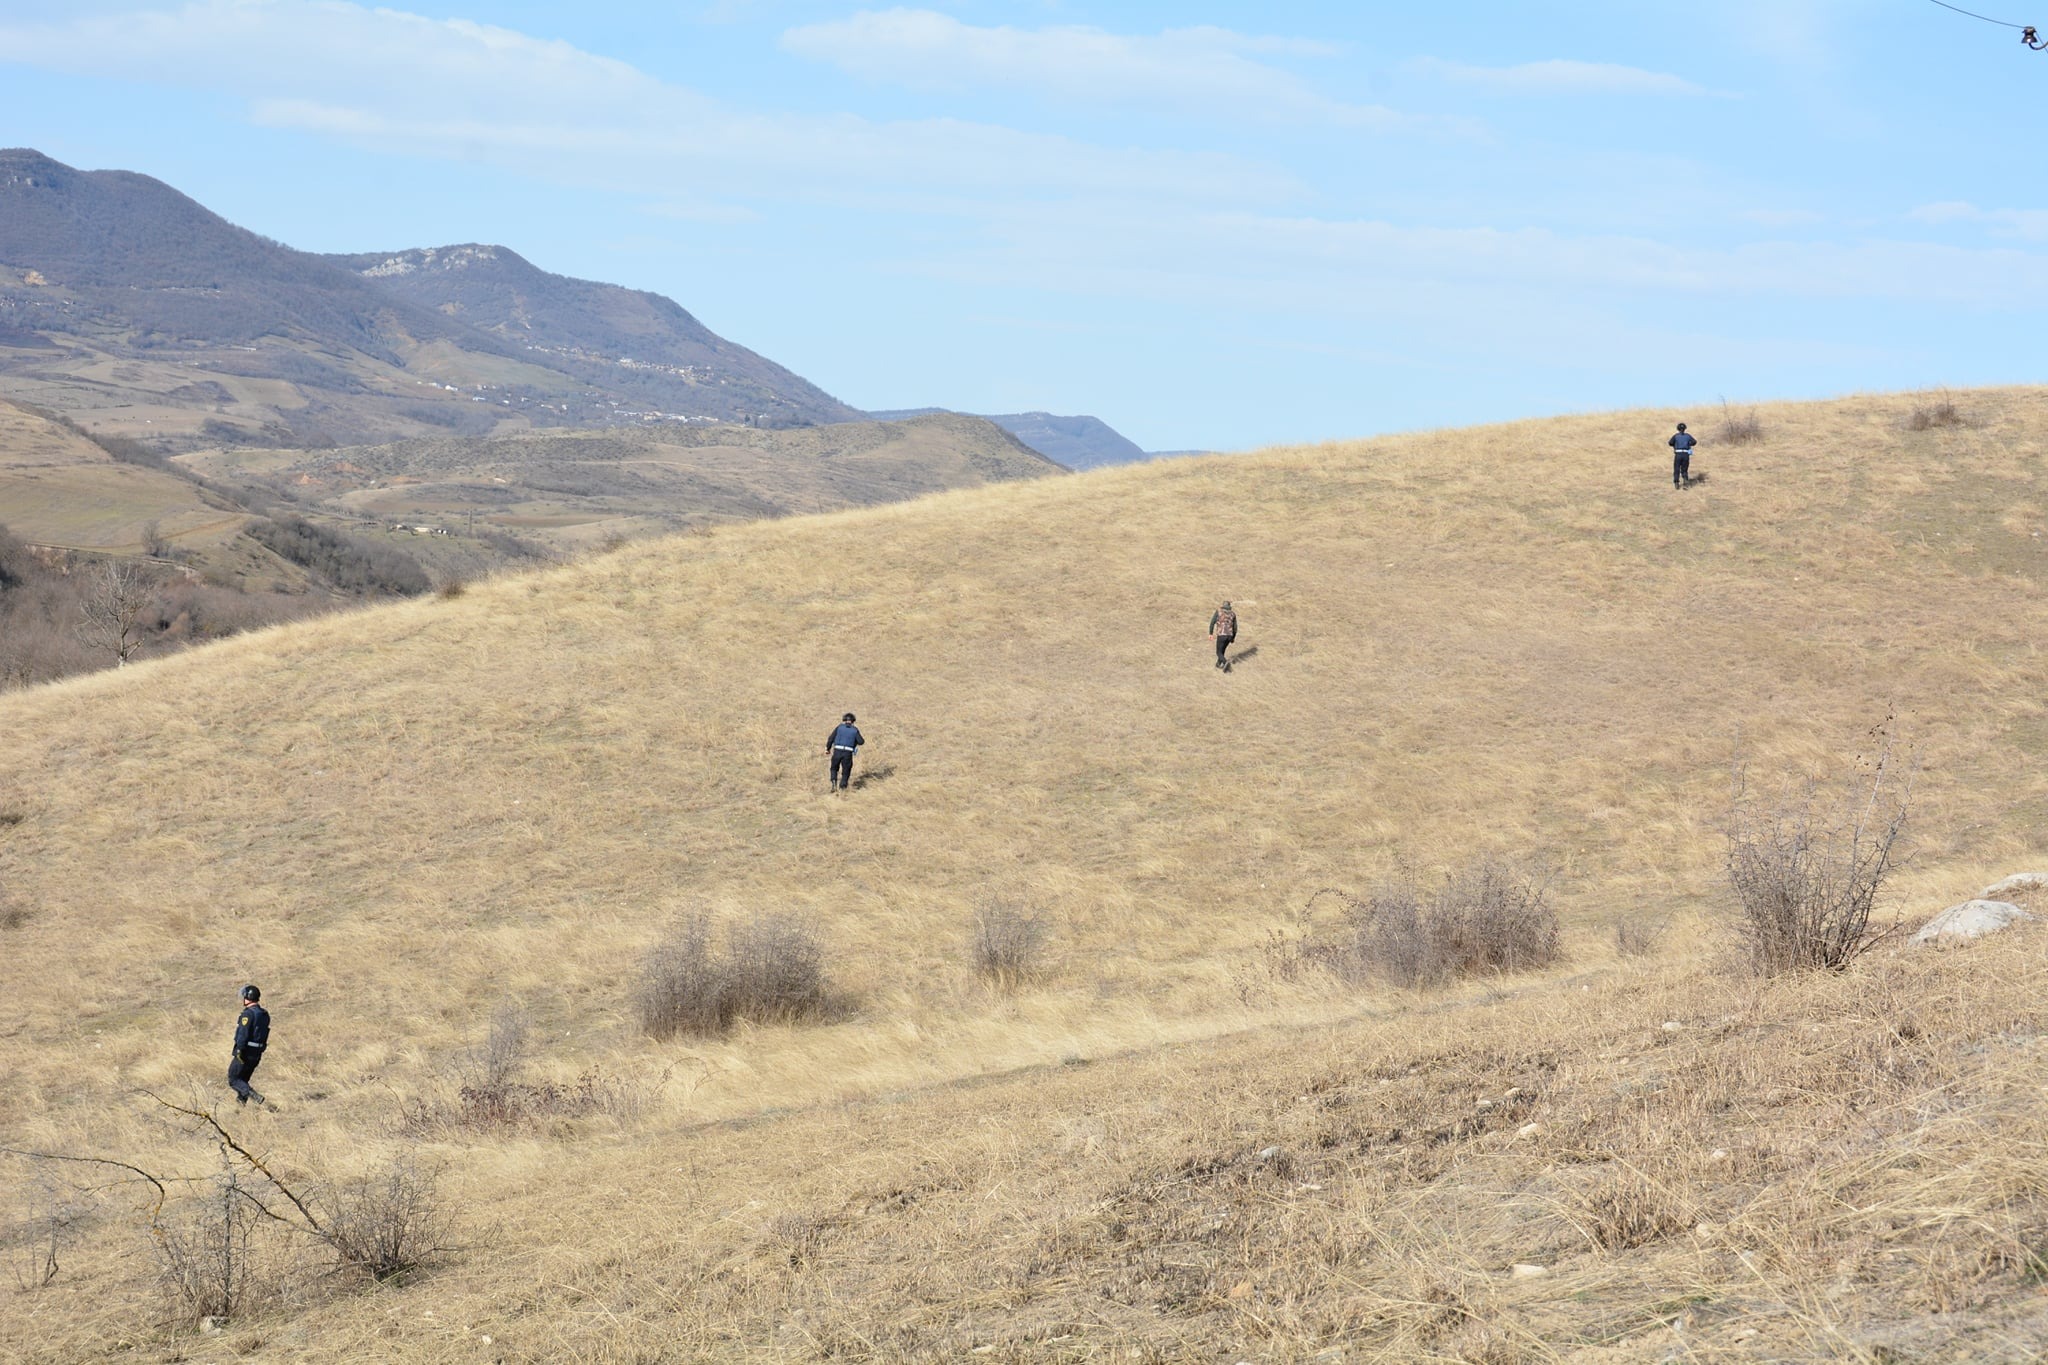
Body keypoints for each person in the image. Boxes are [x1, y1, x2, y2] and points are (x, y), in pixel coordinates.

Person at [228, 984, 269, 1106]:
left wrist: (239, 1049)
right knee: (243, 1079)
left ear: (248, 997)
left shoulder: (248, 1014)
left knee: (234, 1079)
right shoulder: (264, 1014)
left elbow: (243, 1034)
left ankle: (254, 1096)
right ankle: (240, 1107)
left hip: (245, 1052)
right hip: (257, 1053)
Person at [826, 712, 864, 791]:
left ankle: (833, 784)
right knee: (846, 770)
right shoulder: (855, 730)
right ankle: (843, 787)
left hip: (837, 751)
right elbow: (861, 741)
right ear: (853, 721)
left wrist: (828, 748)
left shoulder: (839, 727)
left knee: (834, 768)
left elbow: (831, 738)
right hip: (848, 753)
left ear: (844, 720)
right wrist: (854, 742)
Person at [1209, 600, 1238, 670]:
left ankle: (1225, 663)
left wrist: (1210, 633)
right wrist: (1233, 637)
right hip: (1230, 635)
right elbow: (1235, 627)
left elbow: (1212, 622)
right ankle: (1218, 664)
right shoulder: (1233, 614)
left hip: (1222, 634)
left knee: (1218, 652)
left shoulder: (1219, 611)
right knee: (1222, 650)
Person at [1669, 422, 1697, 489]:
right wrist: (1689, 444)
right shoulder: (1688, 436)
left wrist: (1675, 445)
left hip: (1678, 454)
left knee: (1676, 468)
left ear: (1678, 429)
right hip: (1685, 454)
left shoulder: (1676, 436)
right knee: (1684, 469)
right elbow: (1694, 442)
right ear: (1685, 429)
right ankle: (1685, 481)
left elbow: (1670, 443)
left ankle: (1676, 483)